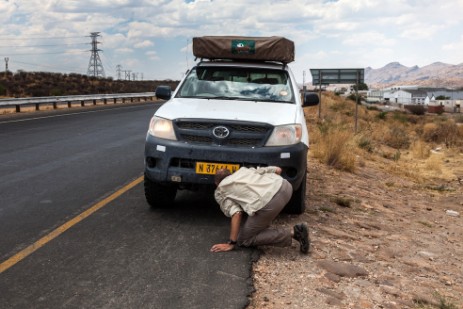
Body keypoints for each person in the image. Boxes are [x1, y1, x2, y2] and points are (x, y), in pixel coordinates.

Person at [210, 166, 310, 254]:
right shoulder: (244, 171)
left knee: (244, 240)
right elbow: (278, 170)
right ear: (230, 174)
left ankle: (295, 232)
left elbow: (237, 213)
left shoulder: (221, 190)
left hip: (271, 202)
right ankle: (263, 226)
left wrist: (231, 243)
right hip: (286, 186)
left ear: (216, 183)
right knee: (257, 216)